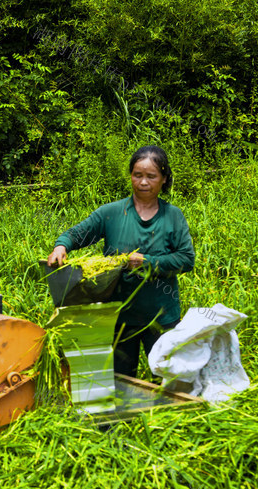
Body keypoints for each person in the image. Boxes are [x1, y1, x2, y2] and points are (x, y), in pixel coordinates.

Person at [46, 146, 195, 378]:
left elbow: (186, 259)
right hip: (120, 316)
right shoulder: (112, 213)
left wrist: (147, 262)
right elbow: (77, 234)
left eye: (151, 176)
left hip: (161, 316)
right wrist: (61, 246)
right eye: (137, 175)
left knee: (167, 379)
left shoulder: (172, 216)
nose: (143, 182)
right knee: (122, 380)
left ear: (164, 179)